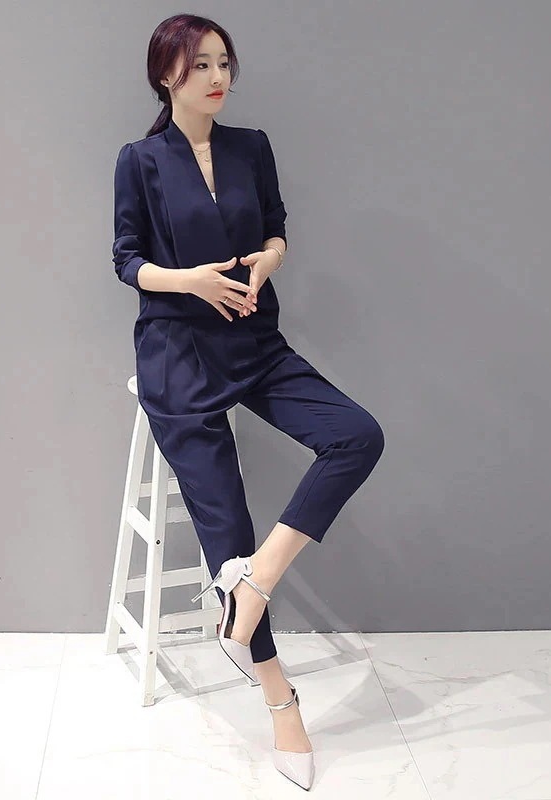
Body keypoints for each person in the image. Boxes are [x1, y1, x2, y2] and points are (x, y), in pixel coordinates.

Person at [111, 13, 385, 790]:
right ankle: (280, 701)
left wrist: (267, 263)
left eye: (223, 63)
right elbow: (126, 259)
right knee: (227, 528)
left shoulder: (250, 146)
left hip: (254, 340)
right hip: (177, 351)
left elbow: (275, 229)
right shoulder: (140, 160)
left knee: (357, 435)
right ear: (166, 75)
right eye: (199, 64)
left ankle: (253, 583)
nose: (216, 77)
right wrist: (190, 281)